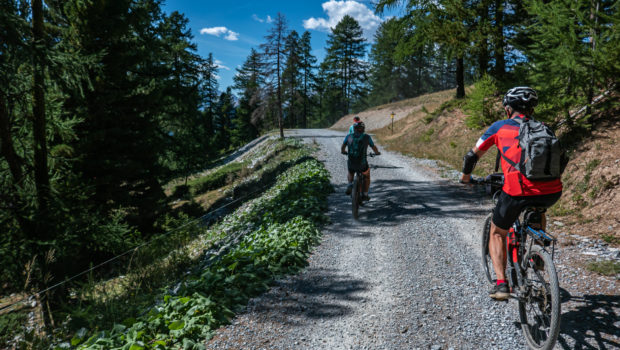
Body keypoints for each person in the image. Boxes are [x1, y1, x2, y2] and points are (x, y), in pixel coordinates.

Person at [460, 87, 562, 300]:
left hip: (517, 191)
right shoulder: (545, 128)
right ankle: (539, 254)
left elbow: (472, 155)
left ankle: (501, 285)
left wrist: (466, 178)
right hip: (552, 191)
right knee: (537, 209)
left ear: (508, 109)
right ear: (531, 109)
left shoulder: (499, 127)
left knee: (498, 232)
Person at [341, 122, 380, 201]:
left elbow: (343, 146)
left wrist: (343, 151)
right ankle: (365, 194)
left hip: (352, 162)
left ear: (354, 129)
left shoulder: (348, 136)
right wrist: (377, 153)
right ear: (363, 129)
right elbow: (373, 147)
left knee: (350, 171)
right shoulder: (367, 137)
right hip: (362, 164)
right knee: (367, 175)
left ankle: (349, 184)